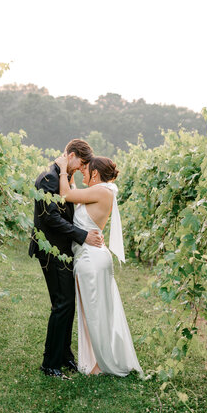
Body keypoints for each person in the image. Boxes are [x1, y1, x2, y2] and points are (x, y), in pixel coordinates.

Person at [55, 154, 143, 376]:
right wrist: (72, 175)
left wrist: (64, 169)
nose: (82, 171)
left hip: (92, 260)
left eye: (85, 169)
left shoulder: (102, 190)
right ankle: (98, 360)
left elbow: (65, 194)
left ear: (95, 173)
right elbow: (74, 195)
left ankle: (102, 364)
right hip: (90, 257)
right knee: (93, 312)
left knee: (96, 313)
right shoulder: (101, 191)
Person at [29, 139, 104, 379]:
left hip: (63, 250)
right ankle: (49, 364)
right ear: (70, 155)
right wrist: (83, 236)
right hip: (51, 250)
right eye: (81, 163)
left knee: (67, 304)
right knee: (62, 304)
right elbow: (50, 218)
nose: (81, 168)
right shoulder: (49, 178)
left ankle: (64, 355)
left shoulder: (61, 178)